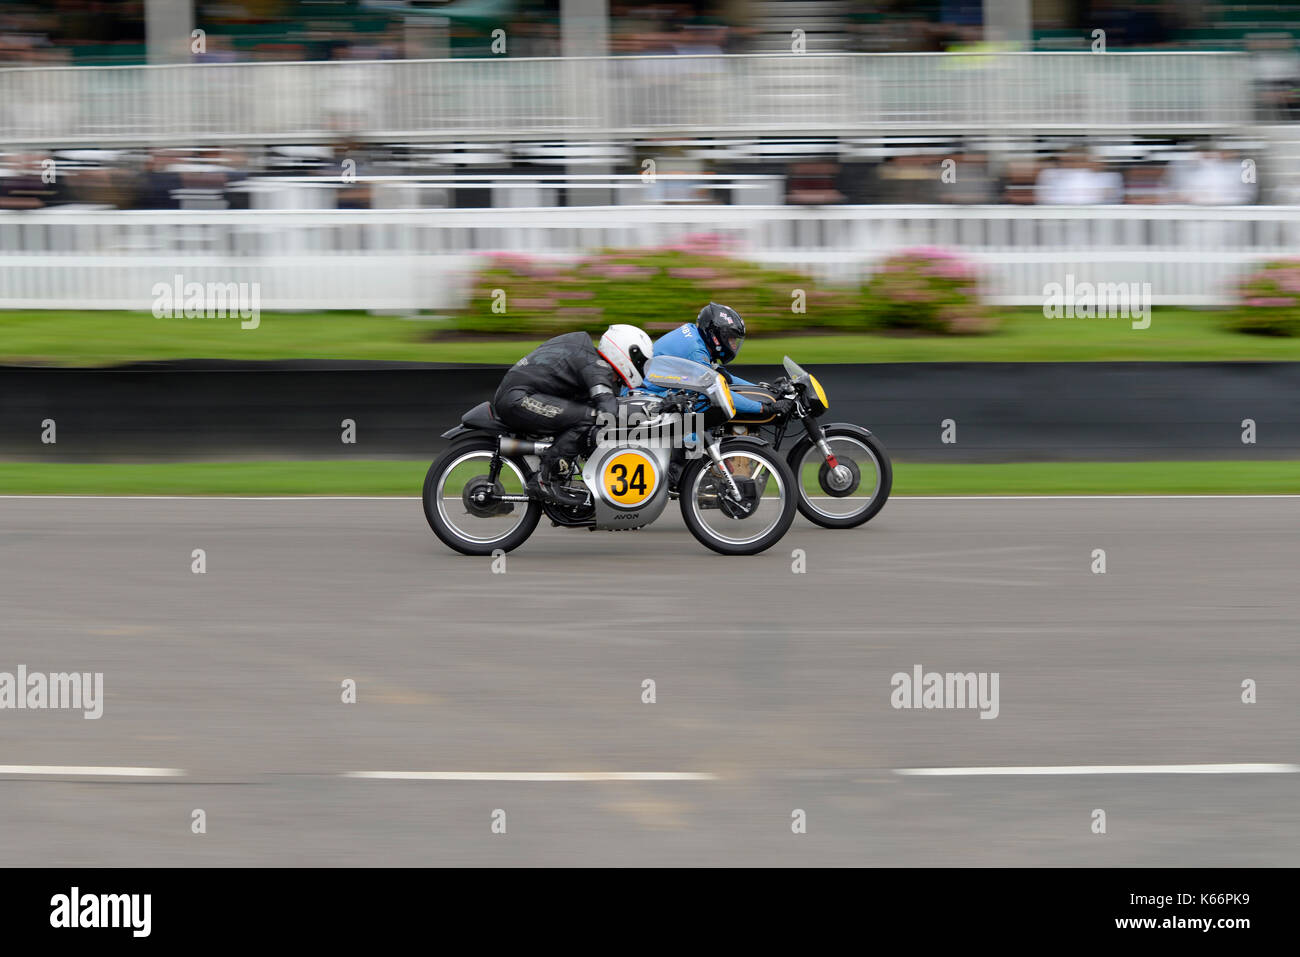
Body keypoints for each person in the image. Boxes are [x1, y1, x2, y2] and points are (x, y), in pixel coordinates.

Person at [493, 324, 654, 507]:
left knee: (585, 413)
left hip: (518, 395)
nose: (641, 366)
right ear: (625, 351)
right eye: (640, 360)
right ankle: (545, 479)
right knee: (590, 416)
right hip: (519, 399)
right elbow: (607, 409)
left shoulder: (587, 355)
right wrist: (642, 412)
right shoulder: (595, 365)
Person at [650, 303, 790, 419]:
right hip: (653, 399)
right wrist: (764, 408)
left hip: (660, 389)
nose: (733, 346)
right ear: (716, 336)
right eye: (731, 339)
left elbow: (727, 379)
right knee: (703, 414)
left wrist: (766, 391)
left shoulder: (697, 337)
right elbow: (718, 393)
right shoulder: (696, 352)